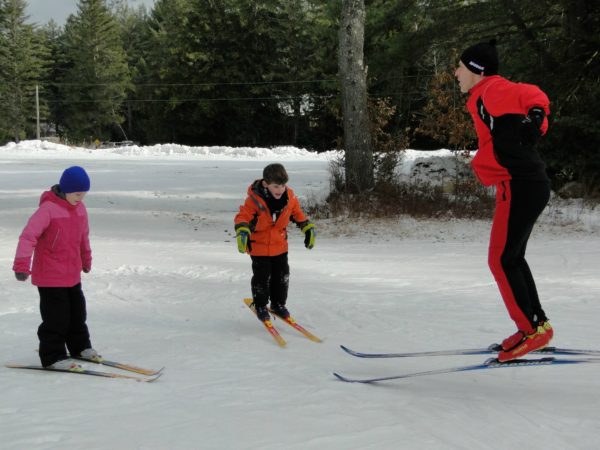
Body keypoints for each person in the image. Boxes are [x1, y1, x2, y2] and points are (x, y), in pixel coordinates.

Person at [455, 40, 553, 362]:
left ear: (475, 71)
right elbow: (530, 99)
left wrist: (538, 112)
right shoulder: (486, 96)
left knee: (501, 259)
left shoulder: (491, 90)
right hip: (527, 184)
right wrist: (537, 116)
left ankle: (531, 331)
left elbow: (530, 93)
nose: (455, 72)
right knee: (512, 257)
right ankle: (536, 325)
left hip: (519, 185)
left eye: (460, 67)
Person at [13, 166, 100, 371]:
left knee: (77, 314)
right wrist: (21, 265)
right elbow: (28, 237)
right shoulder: (48, 210)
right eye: (77, 194)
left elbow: (83, 239)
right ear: (66, 189)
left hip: (71, 274)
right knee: (56, 318)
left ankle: (80, 347)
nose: (81, 198)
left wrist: (86, 260)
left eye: (84, 194)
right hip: (50, 277)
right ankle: (52, 355)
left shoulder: (80, 210)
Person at [234, 163, 316, 322]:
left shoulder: (289, 197)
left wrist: (307, 227)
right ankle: (260, 305)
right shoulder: (254, 199)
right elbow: (243, 216)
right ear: (265, 184)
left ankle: (278, 304)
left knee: (282, 275)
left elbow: (297, 213)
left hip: (280, 245)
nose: (280, 190)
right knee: (262, 277)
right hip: (259, 246)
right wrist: (242, 230)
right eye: (276, 186)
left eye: (283, 185)